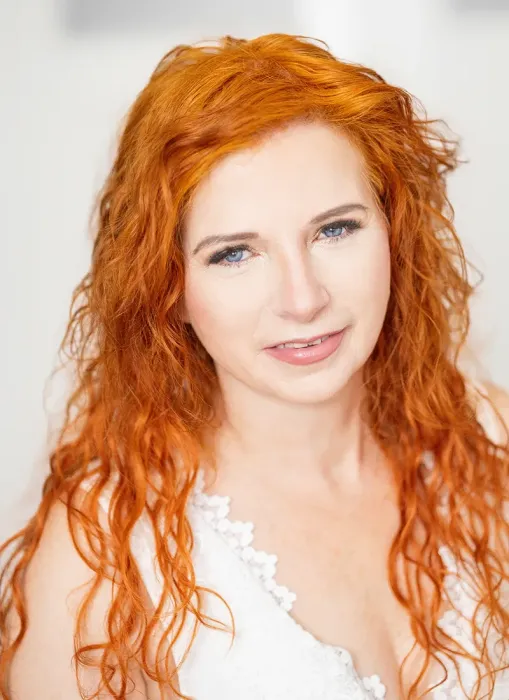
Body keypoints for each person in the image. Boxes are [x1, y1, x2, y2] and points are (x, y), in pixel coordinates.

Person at [0, 32, 508, 700]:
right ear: (168, 289)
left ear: (394, 233)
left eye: (335, 229)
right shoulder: (101, 559)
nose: (303, 299)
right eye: (234, 253)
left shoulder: (490, 438)